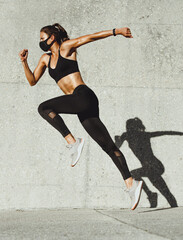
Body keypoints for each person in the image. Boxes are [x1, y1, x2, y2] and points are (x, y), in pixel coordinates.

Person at [18, 23, 143, 210]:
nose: (40, 42)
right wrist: (24, 62)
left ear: (52, 38)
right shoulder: (45, 59)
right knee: (108, 146)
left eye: (42, 39)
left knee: (44, 108)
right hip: (80, 105)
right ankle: (131, 184)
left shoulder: (66, 48)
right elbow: (32, 81)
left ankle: (72, 141)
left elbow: (90, 37)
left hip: (83, 96)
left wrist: (116, 32)